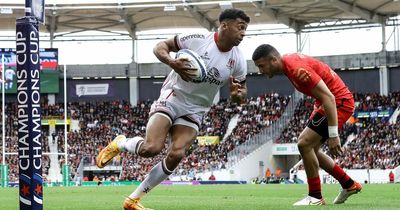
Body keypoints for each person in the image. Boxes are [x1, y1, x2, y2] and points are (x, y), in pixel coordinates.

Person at [96, 8, 250, 210]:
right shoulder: (197, 39)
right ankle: (121, 143)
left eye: (245, 29)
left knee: (177, 154)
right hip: (173, 96)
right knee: (151, 148)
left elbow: (242, 91)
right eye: (240, 28)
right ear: (224, 25)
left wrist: (239, 96)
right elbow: (161, 46)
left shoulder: (238, 60)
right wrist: (172, 62)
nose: (243, 33)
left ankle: (133, 200)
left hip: (196, 109)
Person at [252, 44, 362, 206]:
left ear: (273, 60)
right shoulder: (289, 64)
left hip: (337, 103)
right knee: (312, 150)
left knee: (303, 144)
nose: (260, 71)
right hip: (327, 103)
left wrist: (333, 135)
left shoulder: (296, 70)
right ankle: (348, 184)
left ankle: (316, 196)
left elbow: (330, 97)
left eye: (261, 66)